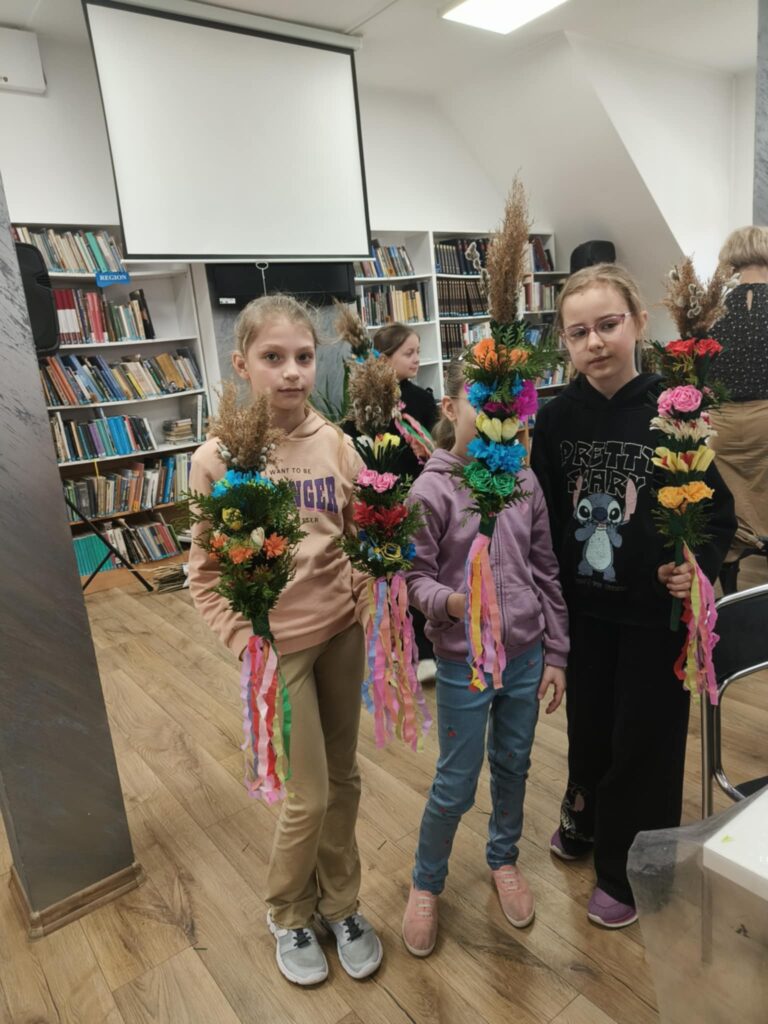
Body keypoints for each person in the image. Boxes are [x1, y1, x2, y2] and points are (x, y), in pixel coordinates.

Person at [530, 264, 736, 928]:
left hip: (653, 616)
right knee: (590, 728)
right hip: (583, 611)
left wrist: (695, 566)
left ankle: (628, 868)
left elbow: (715, 512)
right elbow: (541, 517)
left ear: (640, 323)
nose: (594, 342)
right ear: (565, 342)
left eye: (608, 325)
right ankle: (587, 818)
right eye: (578, 332)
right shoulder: (555, 420)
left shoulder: (676, 412)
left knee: (644, 739)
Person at [188, 294, 382, 986]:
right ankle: (288, 910)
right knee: (308, 795)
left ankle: (341, 904)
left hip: (341, 637)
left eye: (303, 356)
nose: (293, 372)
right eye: (273, 357)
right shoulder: (216, 460)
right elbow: (205, 575)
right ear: (242, 365)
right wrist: (247, 642)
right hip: (279, 655)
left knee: (344, 779)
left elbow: (358, 539)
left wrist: (369, 589)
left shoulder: (336, 443)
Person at [400, 357, 568, 957]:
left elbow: (545, 570)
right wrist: (449, 603)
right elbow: (414, 578)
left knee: (514, 764)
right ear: (450, 408)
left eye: (507, 402)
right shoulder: (431, 489)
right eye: (481, 399)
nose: (496, 411)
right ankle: (426, 882)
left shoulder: (524, 480)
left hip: (525, 656)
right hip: (462, 662)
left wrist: (557, 651)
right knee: (455, 782)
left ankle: (504, 858)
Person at [346, 322, 439, 680]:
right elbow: (352, 445)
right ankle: (399, 645)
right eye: (408, 353)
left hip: (417, 498)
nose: (416, 359)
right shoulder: (365, 404)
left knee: (418, 570)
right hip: (378, 503)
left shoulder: (422, 400)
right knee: (387, 576)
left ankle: (426, 648)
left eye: (418, 352)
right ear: (384, 360)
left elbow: (434, 447)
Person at [709, 226, 768, 592]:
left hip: (721, 424)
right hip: (767, 419)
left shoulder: (712, 309)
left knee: (730, 505)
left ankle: (729, 583)